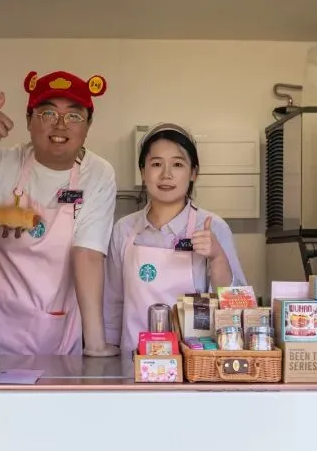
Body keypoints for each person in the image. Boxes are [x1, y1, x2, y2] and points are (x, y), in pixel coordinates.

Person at [0, 70, 119, 357]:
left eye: (74, 116)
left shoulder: (97, 174)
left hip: (59, 336)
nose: (61, 124)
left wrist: (94, 345)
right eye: (48, 113)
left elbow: (88, 255)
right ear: (29, 120)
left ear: (88, 125)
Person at [104, 123, 247, 352]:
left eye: (178, 164)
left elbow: (236, 304)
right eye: (156, 164)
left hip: (193, 362)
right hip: (135, 361)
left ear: (193, 173)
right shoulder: (124, 229)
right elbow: (112, 303)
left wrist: (217, 257)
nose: (166, 175)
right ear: (142, 171)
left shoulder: (213, 227)